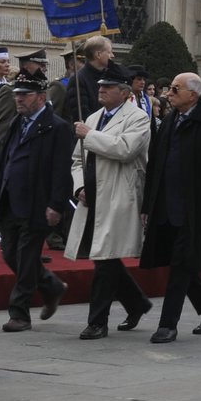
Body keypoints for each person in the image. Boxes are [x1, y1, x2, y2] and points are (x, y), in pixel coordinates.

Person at [138, 73, 201, 343]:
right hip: (166, 207)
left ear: (193, 94)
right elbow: (155, 165)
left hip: (195, 210)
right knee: (182, 264)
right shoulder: (169, 121)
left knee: (181, 266)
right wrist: (148, 205)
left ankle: (168, 324)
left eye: (175, 89)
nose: (169, 93)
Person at [66, 64, 154, 338]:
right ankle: (137, 303)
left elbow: (125, 149)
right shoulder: (92, 117)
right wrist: (79, 185)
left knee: (105, 260)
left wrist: (89, 136)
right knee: (106, 258)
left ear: (124, 92)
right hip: (92, 196)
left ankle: (97, 322)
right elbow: (77, 159)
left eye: (108, 87)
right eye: (100, 86)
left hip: (118, 195)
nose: (101, 90)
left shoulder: (138, 118)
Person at [0, 73, 72, 333]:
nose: (18, 98)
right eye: (17, 93)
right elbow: (6, 157)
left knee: (27, 258)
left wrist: (56, 204)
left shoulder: (56, 127)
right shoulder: (18, 122)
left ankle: (19, 313)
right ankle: (51, 286)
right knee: (10, 254)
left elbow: (62, 170)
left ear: (41, 97)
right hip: (10, 199)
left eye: (24, 94)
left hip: (37, 202)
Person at [57, 35, 113, 125]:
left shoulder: (110, 77)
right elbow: (81, 116)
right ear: (98, 54)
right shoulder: (78, 79)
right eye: (109, 52)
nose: (112, 56)